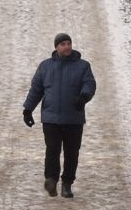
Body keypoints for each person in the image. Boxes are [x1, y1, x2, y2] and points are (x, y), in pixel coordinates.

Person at [22, 33, 96, 198]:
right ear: (56, 47)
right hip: (51, 118)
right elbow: (36, 90)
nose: (67, 47)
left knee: (72, 152)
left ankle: (67, 184)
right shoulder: (45, 66)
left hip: (73, 118)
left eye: (69, 43)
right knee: (52, 150)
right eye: (63, 44)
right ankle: (51, 180)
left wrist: (84, 97)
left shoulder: (83, 66)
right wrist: (28, 109)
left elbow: (89, 84)